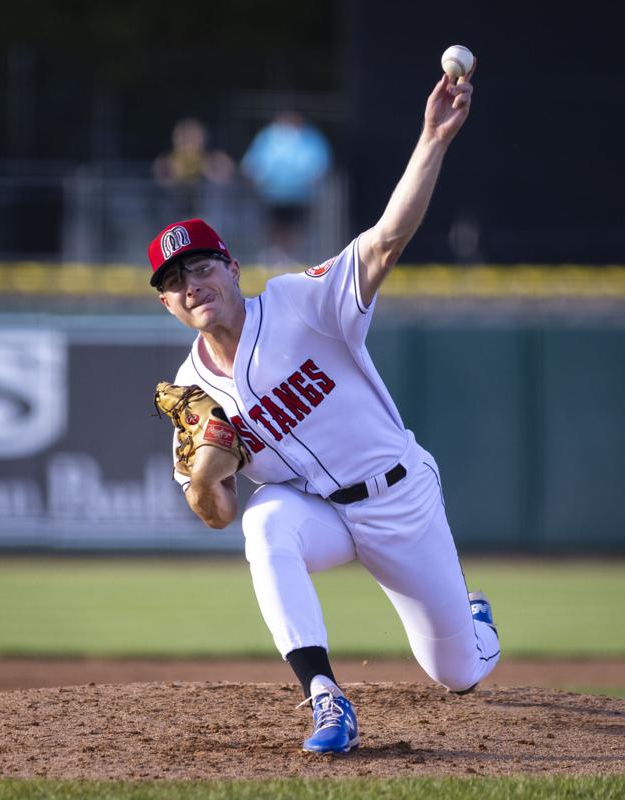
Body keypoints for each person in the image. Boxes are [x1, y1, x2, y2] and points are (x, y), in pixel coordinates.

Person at [147, 62, 500, 755]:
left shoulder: (301, 302)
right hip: (319, 515)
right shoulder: (192, 390)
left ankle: (473, 619)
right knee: (264, 522)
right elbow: (217, 515)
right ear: (167, 303)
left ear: (232, 269)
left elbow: (387, 237)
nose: (193, 285)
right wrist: (204, 481)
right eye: (175, 281)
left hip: (398, 498)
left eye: (202, 267)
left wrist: (433, 140)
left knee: (457, 672)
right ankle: (325, 697)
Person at [241, 111, 332, 264]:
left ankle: (290, 256)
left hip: (299, 195)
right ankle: (275, 256)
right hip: (271, 194)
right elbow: (254, 162)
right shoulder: (268, 136)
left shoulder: (310, 137)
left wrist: (313, 178)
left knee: (294, 227)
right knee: (273, 226)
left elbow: (319, 163)